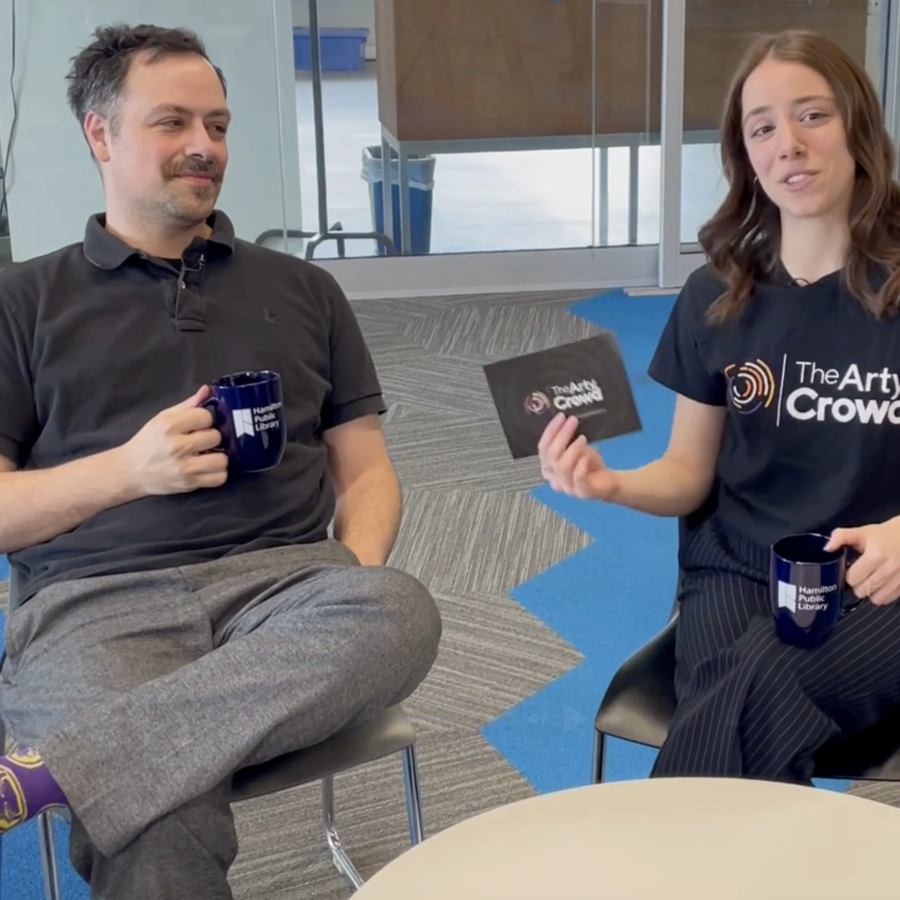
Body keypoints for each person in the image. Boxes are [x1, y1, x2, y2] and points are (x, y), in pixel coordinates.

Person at [0, 23, 442, 899]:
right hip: (94, 605)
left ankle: (66, 768)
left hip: (291, 593)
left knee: (399, 608)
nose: (205, 147)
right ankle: (123, 762)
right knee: (162, 812)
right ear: (100, 134)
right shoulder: (21, 302)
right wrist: (129, 472)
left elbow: (366, 471)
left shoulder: (305, 289)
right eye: (172, 123)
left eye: (219, 125)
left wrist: (343, 575)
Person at [539, 28, 900, 784]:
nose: (788, 145)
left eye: (813, 116)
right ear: (744, 154)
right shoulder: (717, 294)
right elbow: (687, 474)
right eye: (762, 127)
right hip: (735, 571)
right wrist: (609, 484)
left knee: (750, 688)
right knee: (744, 696)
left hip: (878, 580)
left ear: (859, 125)